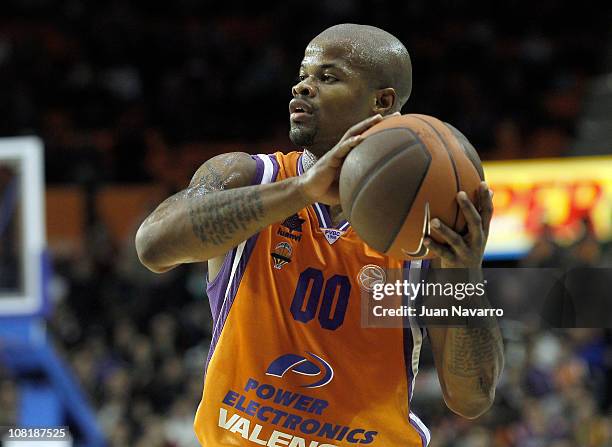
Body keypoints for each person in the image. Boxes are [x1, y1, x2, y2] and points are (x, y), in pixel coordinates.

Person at [136, 24, 503, 447]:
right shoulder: (247, 177)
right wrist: (303, 188)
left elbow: (471, 398)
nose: (302, 87)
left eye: (327, 77)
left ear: (382, 102)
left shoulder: (420, 234)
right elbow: (152, 246)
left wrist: (464, 274)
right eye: (304, 75)